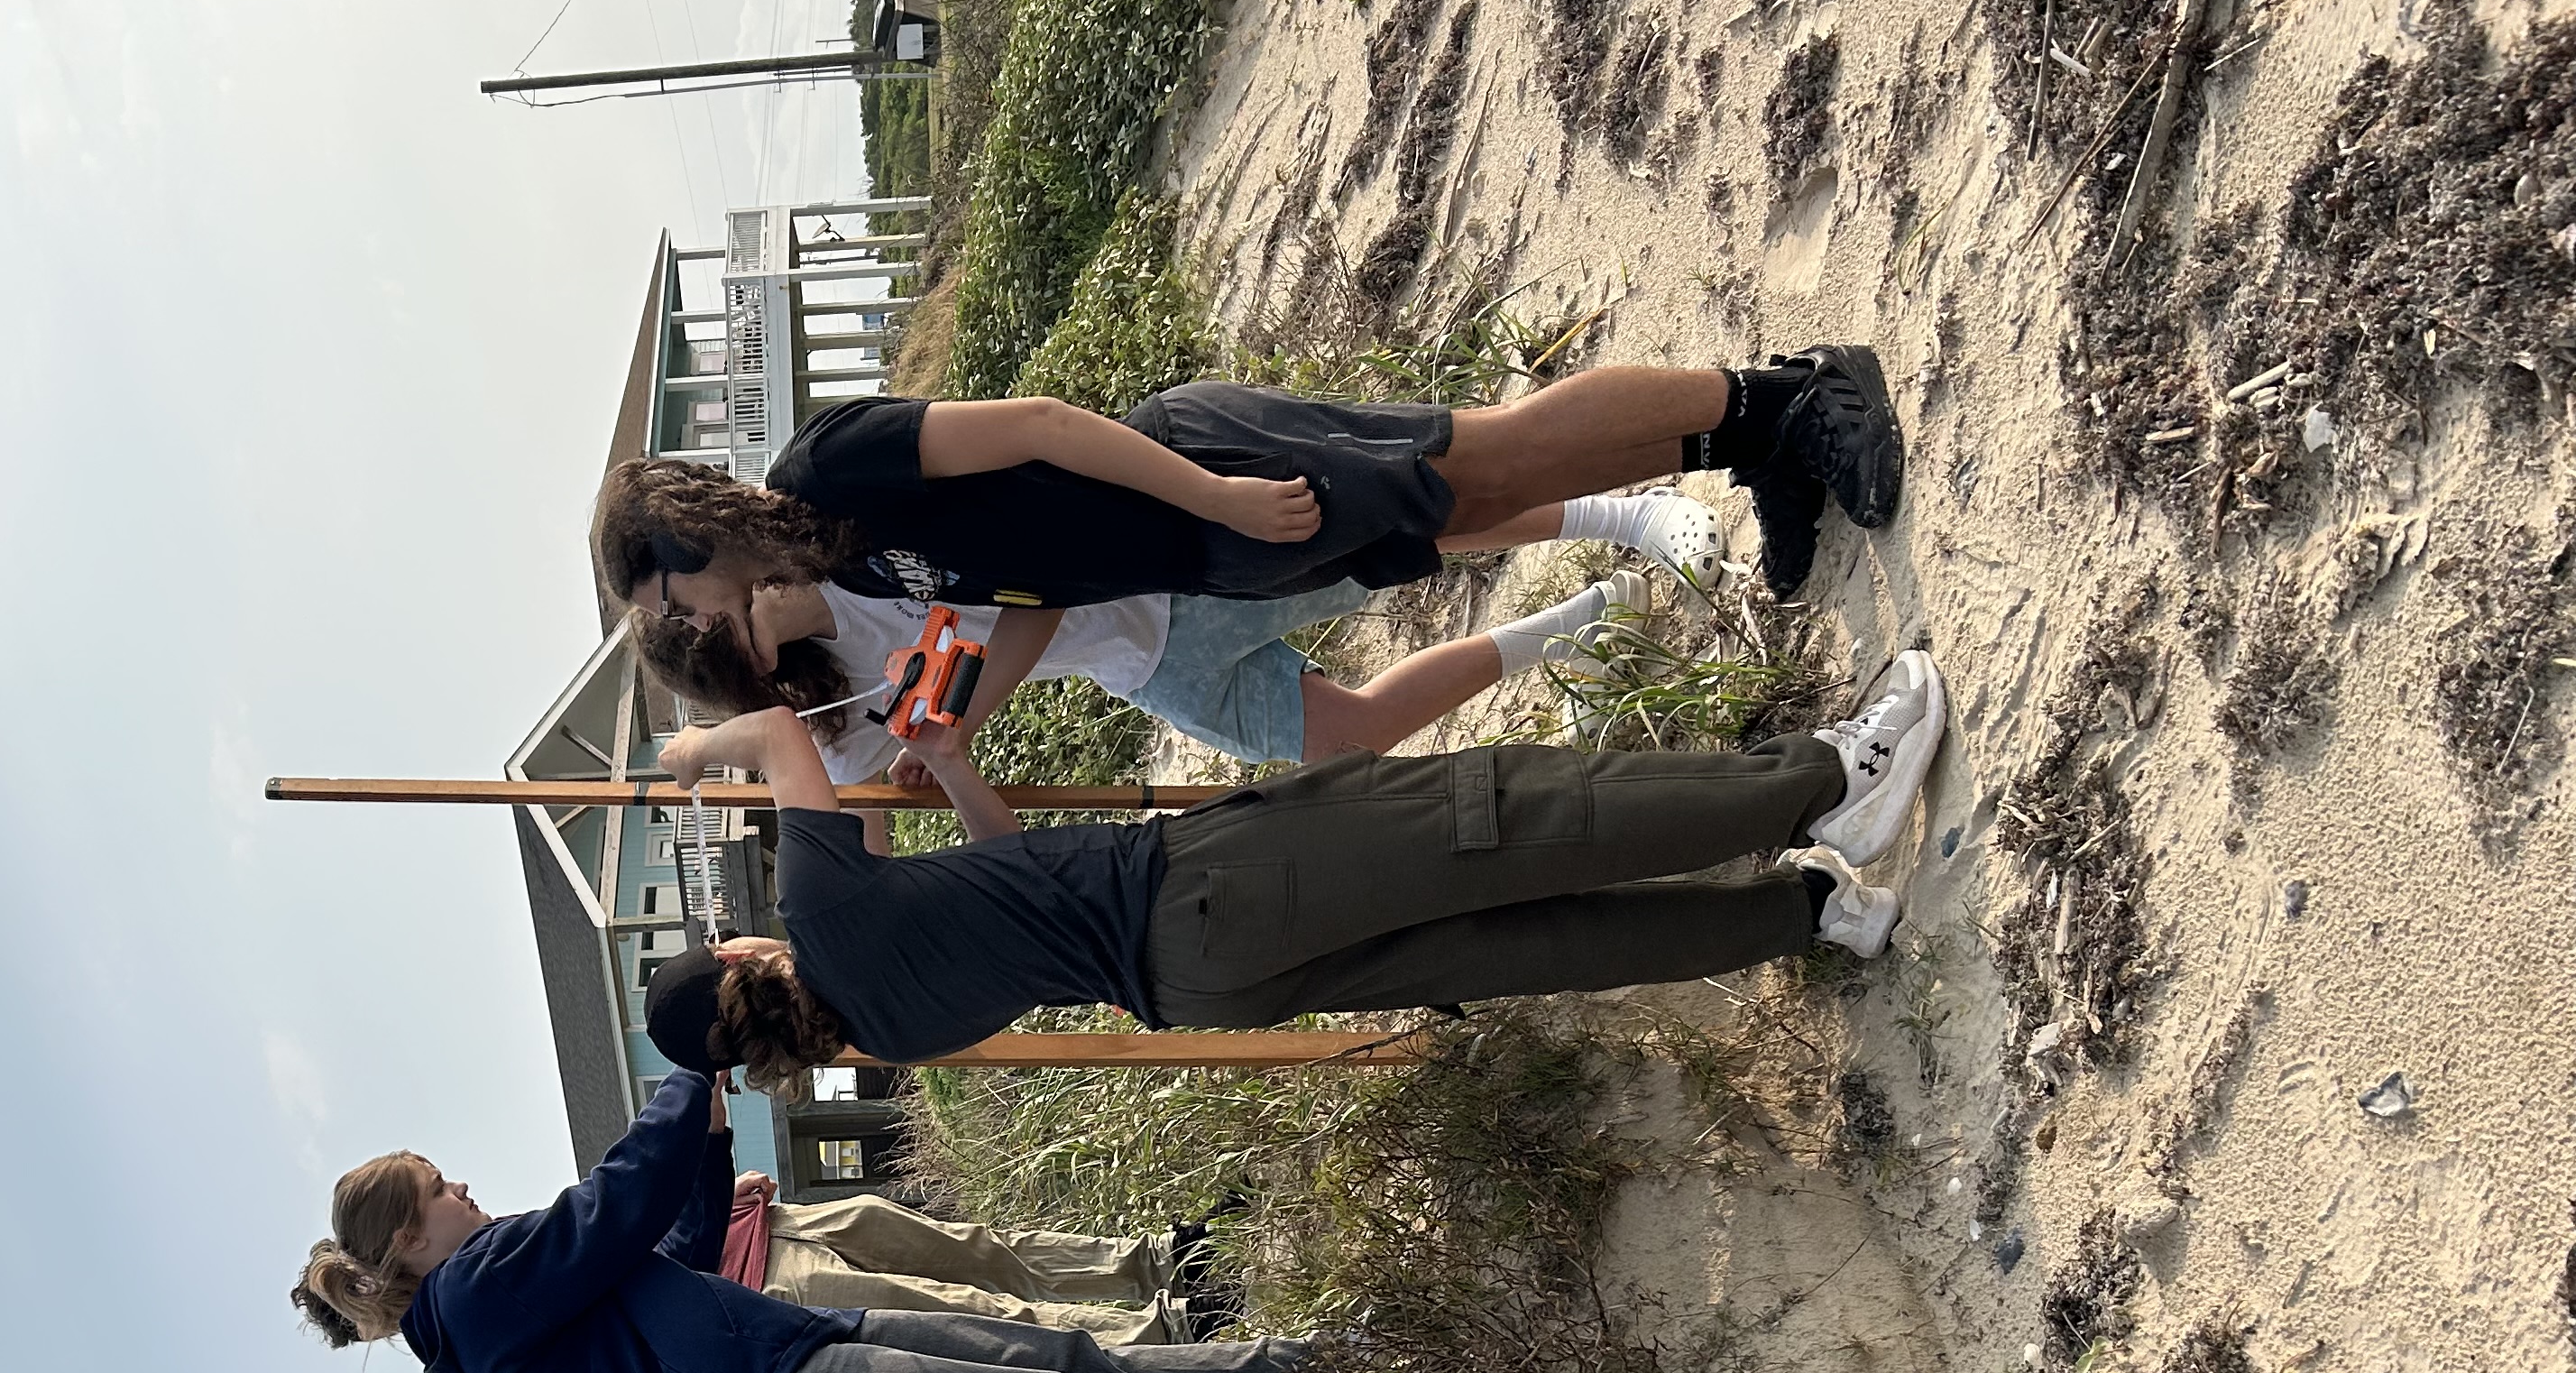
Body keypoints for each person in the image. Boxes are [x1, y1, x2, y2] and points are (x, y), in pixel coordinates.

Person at [638, 646, 1950, 1092]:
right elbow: (776, 737)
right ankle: (1836, 779)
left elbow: (1017, 889)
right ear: (743, 953)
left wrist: (953, 769)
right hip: (1209, 885)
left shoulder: (880, 1034)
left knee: (1531, 946)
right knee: (1505, 820)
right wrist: (703, 743)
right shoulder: (819, 910)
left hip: (1196, 979)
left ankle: (1812, 915)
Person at [591, 364, 1900, 723]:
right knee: (1453, 512)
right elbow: (1033, 587)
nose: (709, 622)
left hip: (1194, 478)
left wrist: (1211, 500)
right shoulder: (845, 572)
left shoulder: (827, 473)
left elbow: (1045, 424)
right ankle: (1751, 448)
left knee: (1479, 458)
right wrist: (962, 713)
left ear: (684, 532)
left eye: (683, 606)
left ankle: (1785, 400)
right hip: (1191, 556)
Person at [292, 1067, 1310, 1373]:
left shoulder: (491, 1290)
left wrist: (715, 1131)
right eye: (438, 1187)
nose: (460, 1185)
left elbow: (676, 1246)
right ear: (408, 1242)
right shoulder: (469, 1305)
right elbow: (613, 1207)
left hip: (800, 1348)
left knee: (1059, 1360)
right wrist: (686, 1064)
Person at [647, 521, 1673, 782]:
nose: (747, 605)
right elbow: (807, 769)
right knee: (1352, 736)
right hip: (1143, 670)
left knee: (1404, 545)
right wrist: (709, 747)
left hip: (1160, 590)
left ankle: (1617, 517)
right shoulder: (834, 730)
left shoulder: (848, 554)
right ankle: (1581, 619)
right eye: (730, 631)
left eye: (727, 605)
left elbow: (1033, 590)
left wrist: (960, 714)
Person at [719, 1170, 1198, 1344]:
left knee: (983, 1249)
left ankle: (1165, 1261)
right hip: (759, 1286)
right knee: (970, 1312)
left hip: (763, 1220)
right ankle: (1167, 1332)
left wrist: (721, 1195)